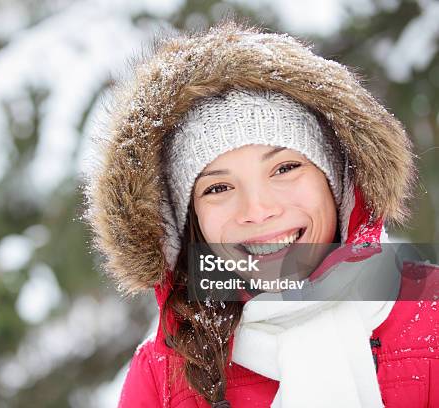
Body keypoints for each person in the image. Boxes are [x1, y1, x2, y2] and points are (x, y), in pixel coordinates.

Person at [83, 20, 439, 407]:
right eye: (218, 188)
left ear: (338, 179)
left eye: (285, 168)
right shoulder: (163, 375)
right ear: (186, 221)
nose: (258, 211)